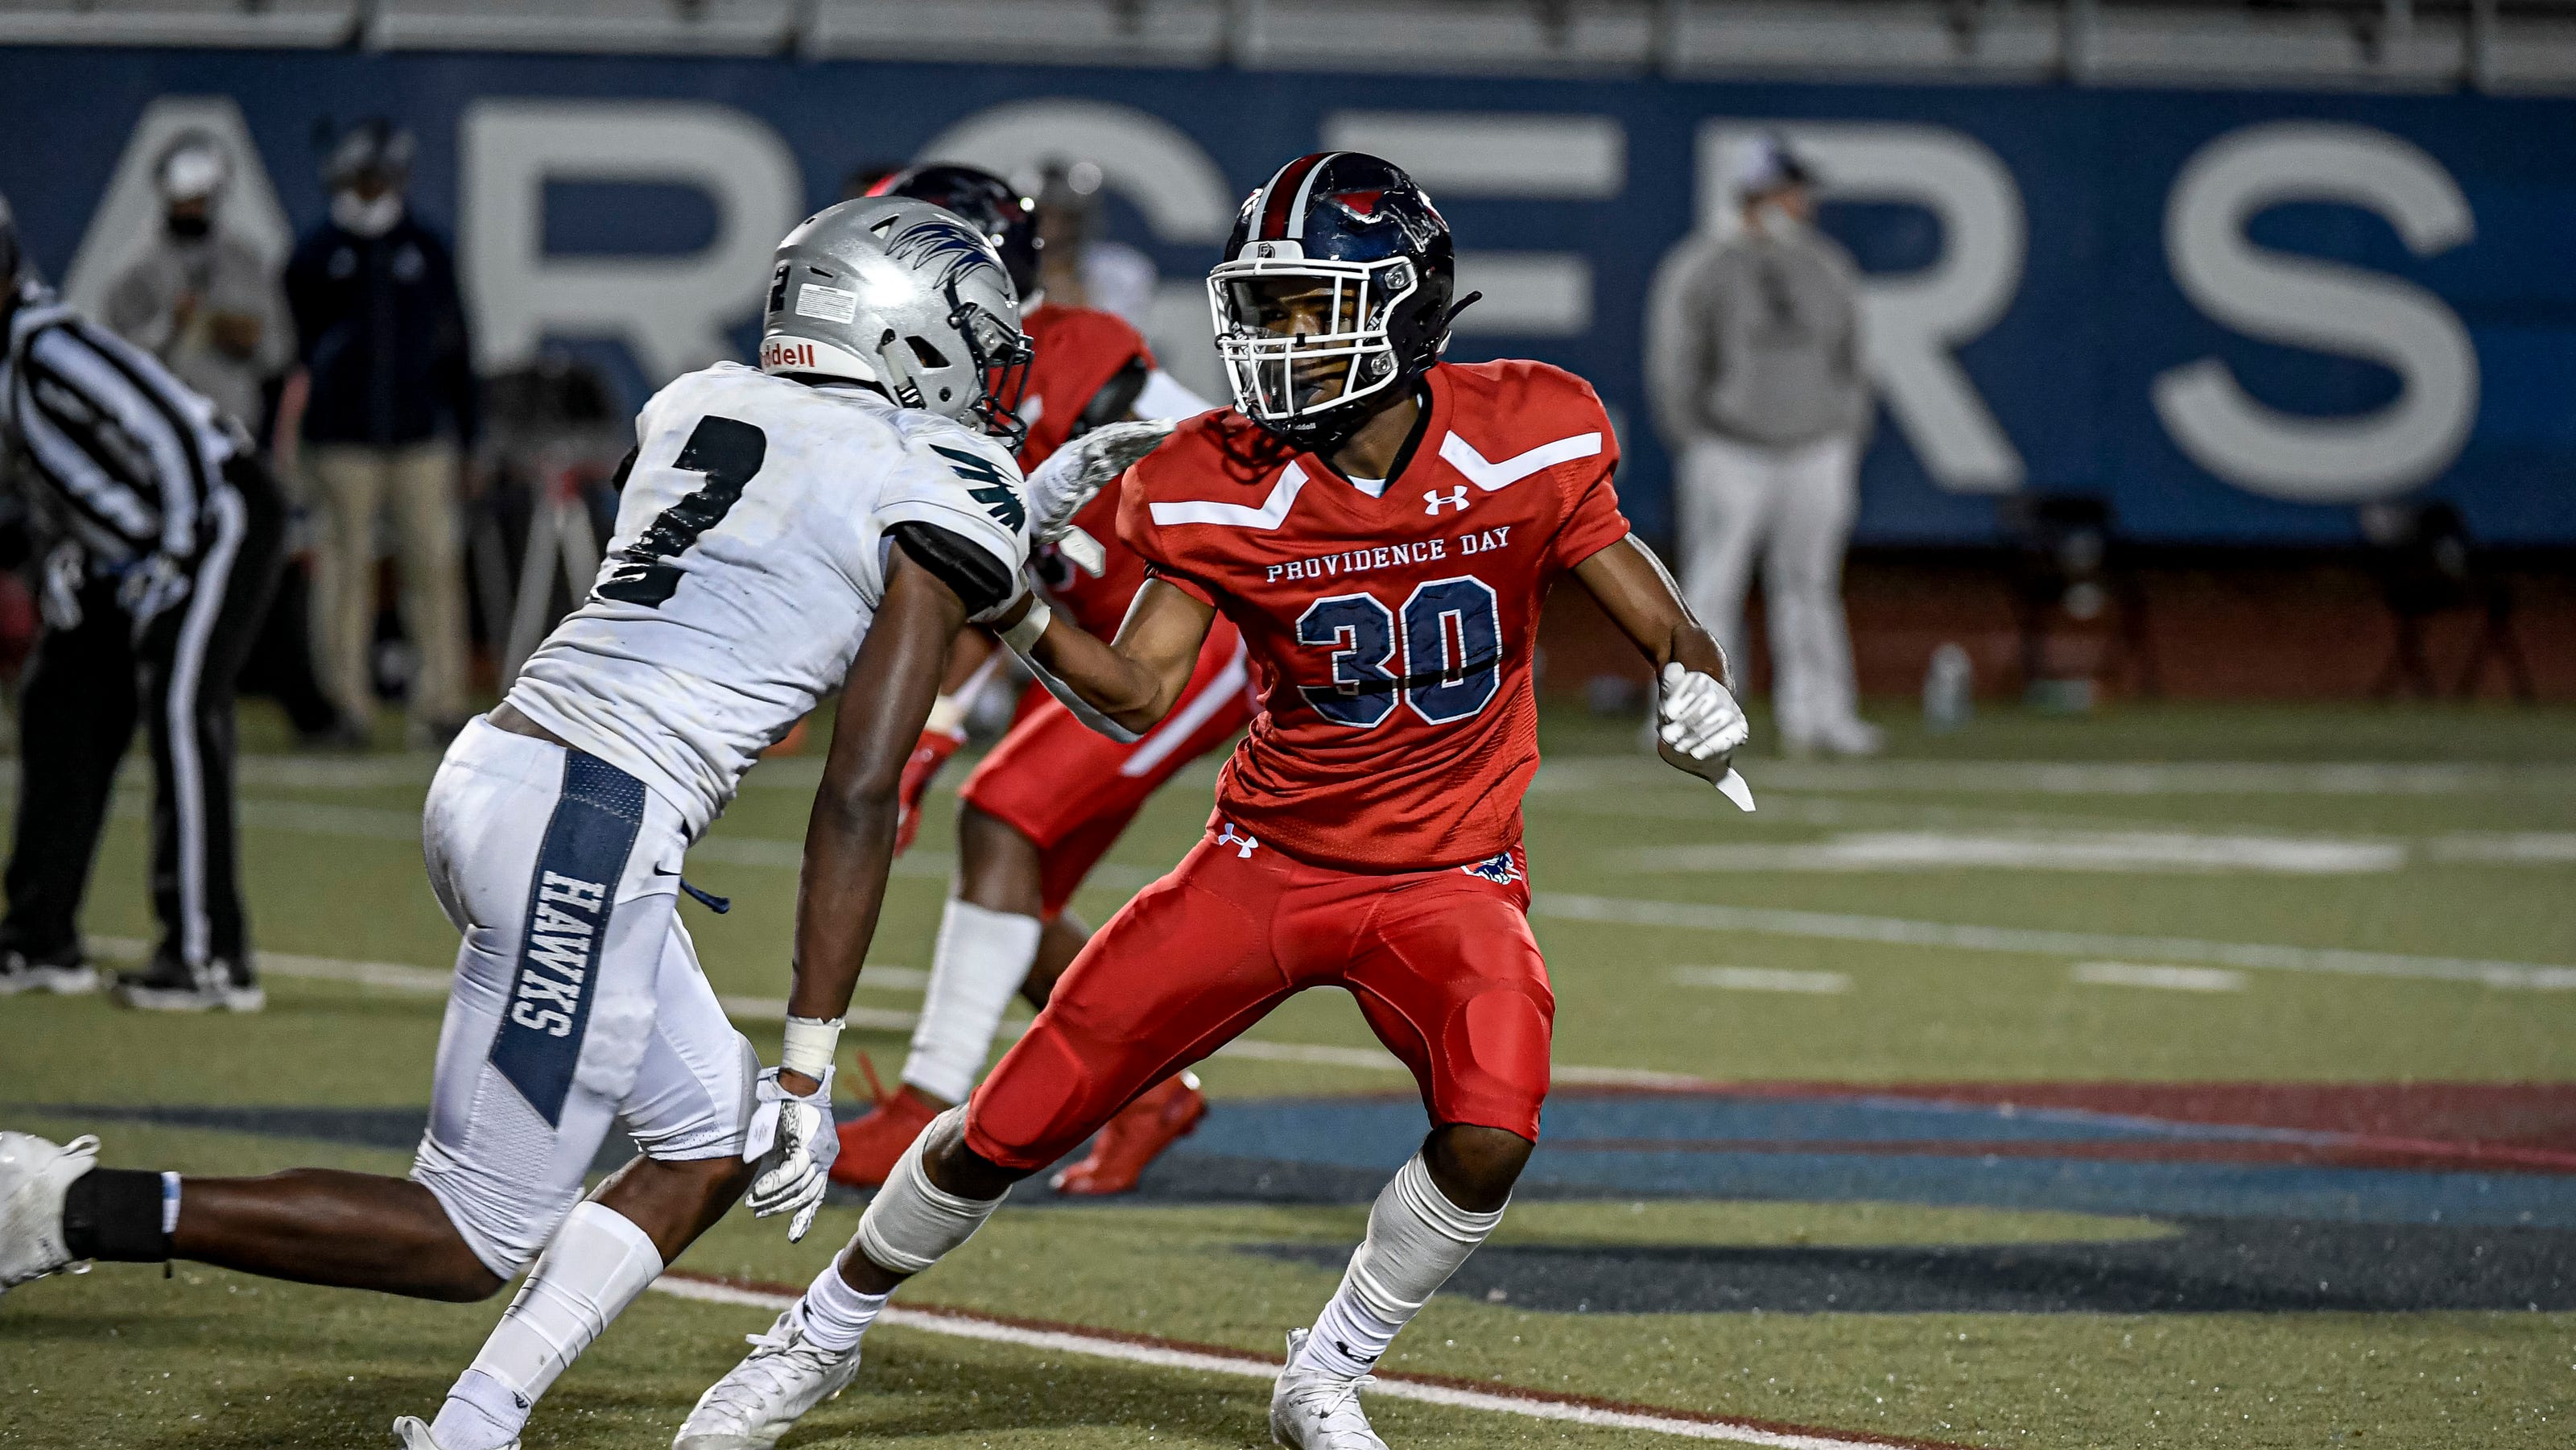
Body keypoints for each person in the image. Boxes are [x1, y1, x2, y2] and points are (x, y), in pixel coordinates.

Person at [0, 195, 1129, 1450]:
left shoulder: (701, 401)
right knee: (469, 1233)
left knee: (710, 1139)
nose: (990, 369)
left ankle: (480, 1423)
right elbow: (859, 788)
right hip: (589, 818)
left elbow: (798, 541)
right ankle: (60, 1207)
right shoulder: (932, 476)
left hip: (507, 767)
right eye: (975, 337)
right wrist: (813, 1061)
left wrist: (1002, 538)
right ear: (907, 330)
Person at [672, 151, 1750, 1450]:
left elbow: (1657, 613)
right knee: (1006, 1126)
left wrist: (1696, 687)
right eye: (1262, 308)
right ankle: (817, 1335)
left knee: (1492, 1130)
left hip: (1450, 876)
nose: (1273, 342)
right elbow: (1135, 690)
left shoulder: (1533, 425)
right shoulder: (1210, 476)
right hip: (1263, 867)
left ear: (1406, 304)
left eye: (1307, 307)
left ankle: (1327, 1369)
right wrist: (1014, 598)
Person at [834, 163, 1235, 1198]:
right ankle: (1150, 1090)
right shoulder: (937, 383)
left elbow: (1229, 457)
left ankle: (927, 1109)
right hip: (1075, 638)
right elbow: (971, 580)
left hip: (1194, 632)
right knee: (1015, 889)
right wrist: (932, 723)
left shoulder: (1081, 355)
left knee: (1002, 817)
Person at [0, 189, 288, 1007]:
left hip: (216, 512)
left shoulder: (47, 344)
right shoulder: (10, 364)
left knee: (180, 702)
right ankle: (38, 938)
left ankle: (208, 956)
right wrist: (62, 556)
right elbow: (52, 481)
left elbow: (164, 426)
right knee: (60, 702)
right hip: (126, 547)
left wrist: (174, 549)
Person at [103, 130, 349, 748]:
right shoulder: (137, 267)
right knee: (159, 576)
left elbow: (280, 350)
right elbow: (114, 358)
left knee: (262, 573)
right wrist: (171, 326)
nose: (192, 207)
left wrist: (246, 340)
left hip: (231, 441)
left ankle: (307, 710)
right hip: (162, 448)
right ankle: (137, 699)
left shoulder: (243, 257)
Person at [1646, 132, 1880, 757]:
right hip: (1730, 446)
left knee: (1810, 584)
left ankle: (1820, 715)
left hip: (1816, 445)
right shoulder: (1704, 264)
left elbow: (1853, 357)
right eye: (1792, 190)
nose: (1802, 203)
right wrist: (1696, 436)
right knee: (1711, 586)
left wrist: (1844, 429)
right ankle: (1695, 719)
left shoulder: (1826, 264)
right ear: (1760, 192)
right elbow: (1675, 361)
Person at [283, 118, 480, 748]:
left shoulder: (425, 248)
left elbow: (458, 346)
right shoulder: (316, 254)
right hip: (342, 438)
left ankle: (441, 703)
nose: (373, 184)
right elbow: (295, 350)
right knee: (343, 573)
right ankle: (346, 705)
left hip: (420, 435)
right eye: (363, 174)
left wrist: (468, 434)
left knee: (434, 566)